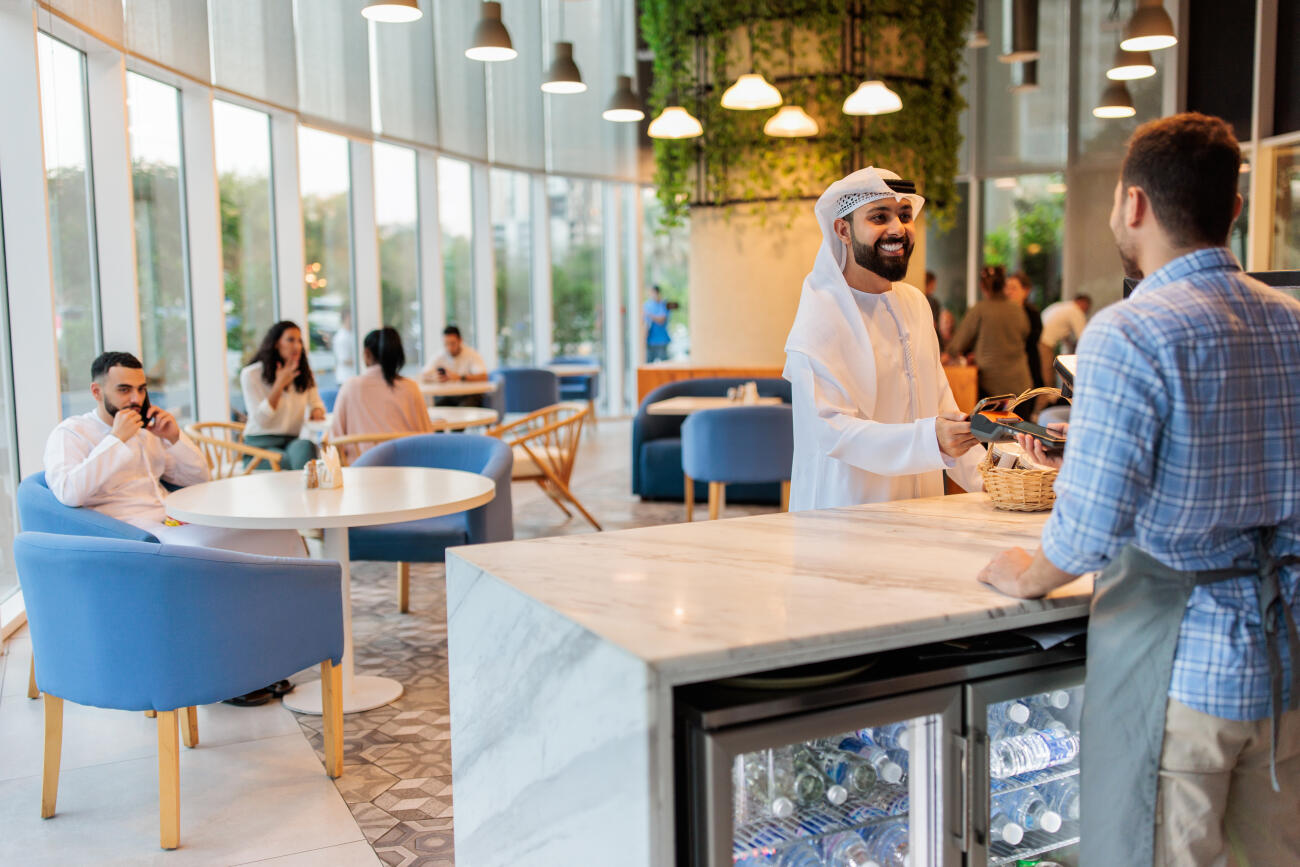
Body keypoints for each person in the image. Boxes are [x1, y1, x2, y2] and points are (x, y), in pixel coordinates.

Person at [976, 113, 1300, 865]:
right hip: (1283, 669)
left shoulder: (1129, 331)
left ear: (1133, 205)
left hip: (1181, 675)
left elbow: (1089, 526)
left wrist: (1025, 572)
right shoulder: (1292, 323)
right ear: (1235, 209)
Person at [46, 352, 305, 706]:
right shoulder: (72, 433)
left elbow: (198, 477)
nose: (135, 399)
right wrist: (116, 440)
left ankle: (265, 656)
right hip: (132, 539)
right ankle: (227, 675)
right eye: (124, 390)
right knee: (219, 558)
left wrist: (174, 438)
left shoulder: (146, 431)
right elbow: (69, 491)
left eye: (140, 389)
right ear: (96, 391)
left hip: (169, 522)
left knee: (278, 534)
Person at [783, 166, 984, 511]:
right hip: (846, 516)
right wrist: (929, 440)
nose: (897, 229)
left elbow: (942, 410)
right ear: (843, 230)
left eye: (905, 215)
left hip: (923, 509)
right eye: (879, 217)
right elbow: (832, 430)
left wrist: (998, 477)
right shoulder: (822, 311)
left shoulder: (915, 304)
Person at [329, 327, 434, 460]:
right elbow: (427, 436)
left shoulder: (350, 387)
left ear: (367, 353)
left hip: (362, 469)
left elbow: (335, 440)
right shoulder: (410, 388)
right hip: (406, 468)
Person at [240, 321, 326, 469]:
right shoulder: (251, 374)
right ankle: (307, 491)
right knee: (287, 461)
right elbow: (261, 420)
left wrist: (316, 411)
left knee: (306, 447)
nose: (297, 346)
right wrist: (279, 384)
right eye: (290, 339)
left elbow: (316, 402)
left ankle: (309, 491)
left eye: (299, 341)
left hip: (291, 441)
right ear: (275, 343)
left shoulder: (303, 374)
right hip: (260, 446)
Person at [943, 265, 1034, 399]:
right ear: (1004, 285)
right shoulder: (1018, 309)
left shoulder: (980, 310)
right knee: (1021, 421)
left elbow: (957, 345)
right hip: (1021, 386)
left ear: (982, 286)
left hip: (993, 388)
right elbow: (1025, 334)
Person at [421, 325, 489, 408]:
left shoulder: (471, 354)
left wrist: (460, 377)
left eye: (452, 343)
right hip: (449, 396)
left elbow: (483, 377)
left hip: (469, 395)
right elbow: (423, 375)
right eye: (446, 344)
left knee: (464, 410)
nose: (449, 347)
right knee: (434, 412)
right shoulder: (440, 355)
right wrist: (434, 378)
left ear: (460, 340)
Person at [1037, 293, 1091, 382]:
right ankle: (1048, 396)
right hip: (1045, 342)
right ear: (1082, 303)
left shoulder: (1063, 306)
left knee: (1044, 371)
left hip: (1039, 338)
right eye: (1087, 306)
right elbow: (1083, 337)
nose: (1087, 310)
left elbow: (1065, 336)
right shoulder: (1075, 310)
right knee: (1047, 372)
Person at [1005, 272, 1044, 391]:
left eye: (1014, 288)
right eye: (1007, 288)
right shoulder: (1003, 312)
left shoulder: (1031, 312)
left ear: (1026, 291)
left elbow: (1035, 337)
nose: (1009, 292)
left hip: (1028, 362)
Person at [643, 285, 671, 362]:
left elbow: (662, 319)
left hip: (661, 340)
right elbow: (645, 323)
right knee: (648, 365)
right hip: (650, 341)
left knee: (664, 365)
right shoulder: (647, 305)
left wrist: (649, 315)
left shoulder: (664, 304)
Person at [332, 309, 356, 383]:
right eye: (351, 317)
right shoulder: (341, 337)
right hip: (345, 379)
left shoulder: (352, 334)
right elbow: (344, 359)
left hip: (352, 377)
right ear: (346, 318)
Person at [924, 269, 943, 339]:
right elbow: (934, 324)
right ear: (931, 283)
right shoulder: (933, 302)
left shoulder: (917, 299)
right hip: (931, 336)